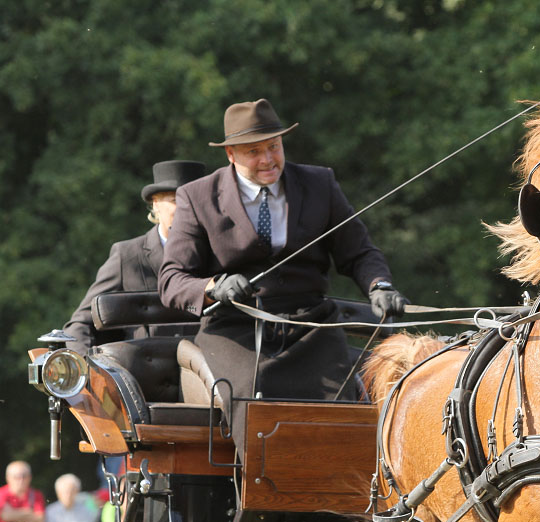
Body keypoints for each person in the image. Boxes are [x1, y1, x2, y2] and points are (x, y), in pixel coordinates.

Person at [159, 99, 406, 445]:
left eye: (274, 147)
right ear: (230, 154)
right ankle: (261, 497)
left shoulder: (320, 183)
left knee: (342, 409)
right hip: (236, 326)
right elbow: (172, 280)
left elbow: (359, 251)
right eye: (254, 152)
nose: (268, 160)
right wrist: (215, 287)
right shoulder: (198, 197)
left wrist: (379, 285)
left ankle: (336, 495)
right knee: (253, 403)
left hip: (311, 323)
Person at [64, 160, 207, 353]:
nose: (186, 210)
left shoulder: (220, 254)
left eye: (193, 202)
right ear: (156, 204)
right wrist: (85, 375)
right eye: (175, 201)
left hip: (208, 375)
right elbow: (80, 325)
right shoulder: (127, 257)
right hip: (144, 375)